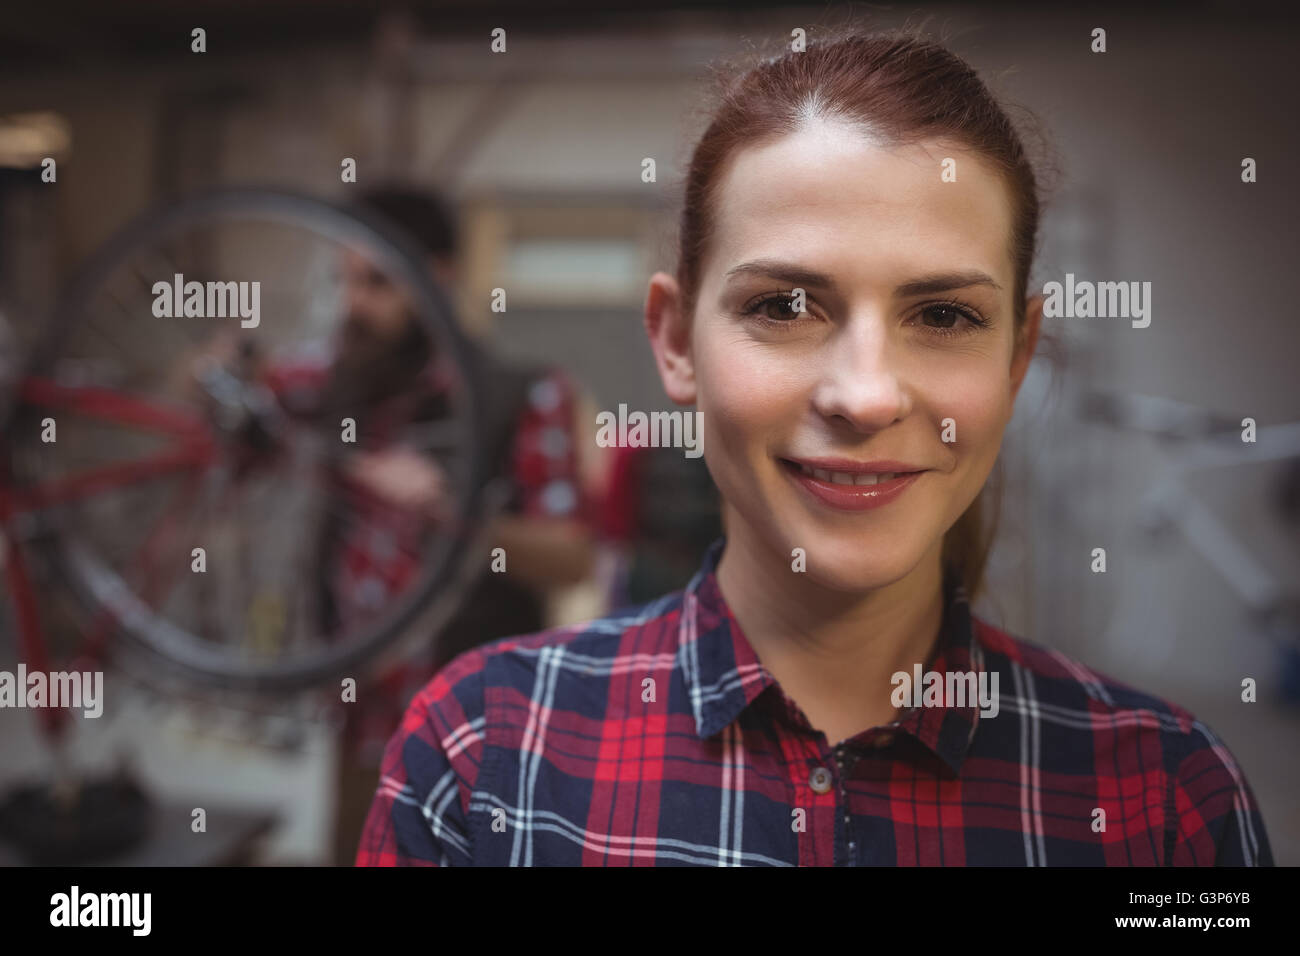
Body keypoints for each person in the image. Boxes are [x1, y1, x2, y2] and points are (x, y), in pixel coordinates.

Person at [355, 30, 1273, 866]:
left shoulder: (1167, 804)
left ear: (1018, 358)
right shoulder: (482, 757)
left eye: (945, 315)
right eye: (783, 307)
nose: (865, 395)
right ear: (675, 341)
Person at [227, 185, 596, 863]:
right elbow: (217, 389)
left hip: (470, 734)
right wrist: (223, 373)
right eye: (343, 280)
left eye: (375, 282)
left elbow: (570, 557)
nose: (351, 305)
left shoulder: (523, 395)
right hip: (359, 722)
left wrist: (446, 517)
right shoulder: (340, 382)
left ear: (437, 278)